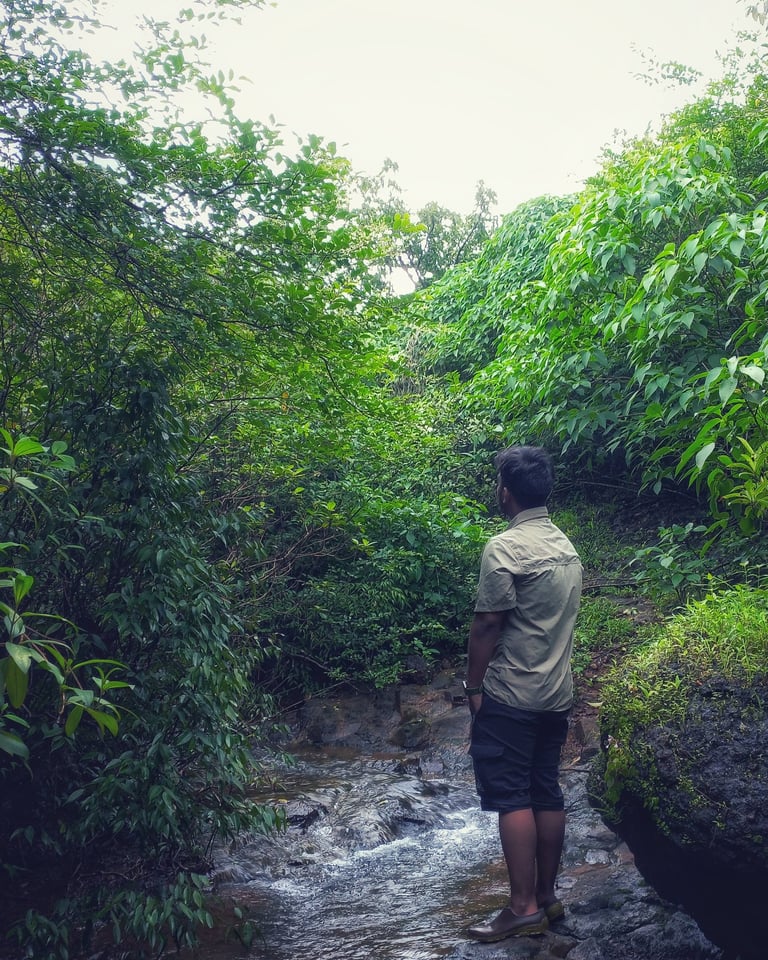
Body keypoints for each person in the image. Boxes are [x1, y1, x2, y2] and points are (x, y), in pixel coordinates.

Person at [464, 445, 582, 943]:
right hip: (557, 694)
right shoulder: (566, 545)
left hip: (512, 695)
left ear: (505, 492)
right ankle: (549, 897)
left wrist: (473, 688)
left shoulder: (505, 548)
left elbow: (489, 623)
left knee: (512, 797)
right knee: (545, 791)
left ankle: (522, 907)